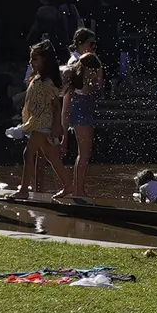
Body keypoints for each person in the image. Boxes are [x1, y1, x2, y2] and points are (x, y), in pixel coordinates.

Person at [5, 40, 74, 200]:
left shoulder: (47, 82)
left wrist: (57, 126)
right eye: (31, 59)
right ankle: (68, 185)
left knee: (28, 154)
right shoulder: (38, 79)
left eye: (35, 59)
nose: (31, 62)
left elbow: (56, 106)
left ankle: (23, 190)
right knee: (52, 157)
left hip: (43, 124)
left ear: (45, 60)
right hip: (37, 122)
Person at [62, 32, 103, 198]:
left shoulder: (85, 60)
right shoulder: (76, 62)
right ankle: (78, 191)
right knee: (84, 153)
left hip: (81, 107)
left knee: (84, 153)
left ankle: (78, 189)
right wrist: (63, 131)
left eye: (95, 44)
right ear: (80, 43)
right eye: (90, 43)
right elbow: (81, 89)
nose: (93, 47)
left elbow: (93, 86)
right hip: (80, 107)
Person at [91, 0, 122, 95]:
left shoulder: (96, 12)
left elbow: (93, 28)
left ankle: (103, 93)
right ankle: (113, 92)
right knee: (113, 66)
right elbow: (118, 28)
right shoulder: (115, 11)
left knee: (101, 67)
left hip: (100, 41)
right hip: (113, 41)